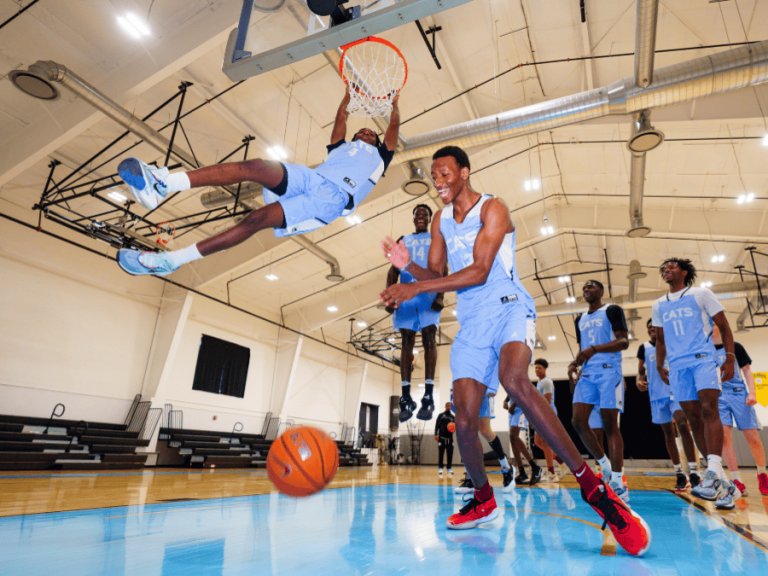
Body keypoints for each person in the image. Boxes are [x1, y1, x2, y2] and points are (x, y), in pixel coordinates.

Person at [379, 145, 650, 555]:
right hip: (471, 321)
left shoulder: (494, 208)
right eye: (434, 175)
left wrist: (414, 285)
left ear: (465, 173)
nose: (437, 180)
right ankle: (484, 499)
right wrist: (407, 267)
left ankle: (595, 490)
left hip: (508, 305)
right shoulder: (439, 221)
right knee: (465, 422)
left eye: (445, 173)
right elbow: (436, 275)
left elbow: (479, 271)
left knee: (514, 380)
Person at [115, 87, 400, 276]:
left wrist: (394, 104)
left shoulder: (381, 157)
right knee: (256, 166)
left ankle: (171, 261)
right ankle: (163, 185)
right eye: (361, 131)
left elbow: (393, 128)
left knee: (256, 220)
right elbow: (341, 116)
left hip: (331, 199)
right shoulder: (339, 148)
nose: (366, 133)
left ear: (376, 141)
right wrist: (349, 95)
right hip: (313, 177)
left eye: (370, 133)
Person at [652, 258, 739, 510]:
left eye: (672, 266)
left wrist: (730, 357)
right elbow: (660, 340)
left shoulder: (702, 293)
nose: (667, 269)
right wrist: (660, 365)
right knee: (693, 420)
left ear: (684, 272)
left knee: (710, 409)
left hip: (702, 359)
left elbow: (724, 326)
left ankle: (710, 475)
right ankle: (723, 483)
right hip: (677, 366)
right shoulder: (658, 304)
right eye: (664, 267)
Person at [568, 280, 631, 503]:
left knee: (609, 425)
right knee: (577, 421)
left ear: (601, 291)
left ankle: (618, 480)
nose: (586, 290)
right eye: (584, 288)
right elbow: (582, 347)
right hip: (587, 374)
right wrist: (576, 362)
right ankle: (604, 466)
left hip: (608, 372)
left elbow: (624, 342)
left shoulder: (612, 310)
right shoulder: (580, 319)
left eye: (591, 287)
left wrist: (594, 349)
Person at [387, 204, 444, 422]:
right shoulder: (404, 239)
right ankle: (405, 397)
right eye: (418, 214)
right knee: (406, 341)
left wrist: (440, 295)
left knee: (429, 337)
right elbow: (392, 271)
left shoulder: (435, 238)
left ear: (429, 219)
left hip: (428, 291)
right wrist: (391, 296)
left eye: (425, 214)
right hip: (406, 293)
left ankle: (428, 396)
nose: (421, 216)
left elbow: (442, 267)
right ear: (413, 219)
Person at [637, 318, 699, 492]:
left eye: (654, 326)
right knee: (668, 433)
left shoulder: (673, 343)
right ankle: (679, 473)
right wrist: (639, 381)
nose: (651, 329)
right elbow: (641, 372)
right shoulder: (644, 347)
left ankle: (694, 471)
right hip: (656, 395)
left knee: (682, 425)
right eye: (648, 327)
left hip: (675, 392)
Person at [712, 325, 768, 496]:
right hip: (718, 396)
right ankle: (737, 480)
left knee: (753, 438)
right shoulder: (705, 350)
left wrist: (752, 393)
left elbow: (747, 372)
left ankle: (762, 474)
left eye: (714, 323)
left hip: (738, 393)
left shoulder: (735, 346)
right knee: (725, 440)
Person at [455, 392, 516, 494]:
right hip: (462, 392)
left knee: (485, 431)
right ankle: (470, 478)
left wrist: (491, 387)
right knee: (466, 433)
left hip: (480, 391)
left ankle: (506, 467)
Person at [503, 393, 543, 485]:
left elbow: (521, 390)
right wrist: (506, 400)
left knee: (514, 435)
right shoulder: (508, 379)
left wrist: (513, 405)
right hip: (514, 409)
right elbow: (511, 390)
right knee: (512, 438)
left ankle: (535, 467)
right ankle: (522, 474)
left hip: (520, 408)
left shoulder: (517, 378)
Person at [532, 359, 560, 482]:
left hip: (547, 415)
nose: (537, 370)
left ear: (545, 369)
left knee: (545, 443)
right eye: (536, 368)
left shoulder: (547, 382)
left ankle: (552, 473)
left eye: (540, 368)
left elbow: (547, 401)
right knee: (538, 442)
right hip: (540, 415)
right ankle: (560, 461)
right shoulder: (539, 383)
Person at [435, 402, 455, 476]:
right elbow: (436, 425)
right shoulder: (441, 415)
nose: (449, 407)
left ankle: (449, 468)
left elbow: (455, 427)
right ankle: (440, 468)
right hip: (441, 438)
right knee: (441, 454)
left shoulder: (453, 417)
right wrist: (435, 434)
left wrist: (454, 429)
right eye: (447, 406)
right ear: (445, 406)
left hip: (450, 438)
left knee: (450, 454)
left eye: (450, 406)